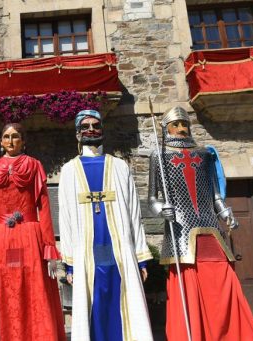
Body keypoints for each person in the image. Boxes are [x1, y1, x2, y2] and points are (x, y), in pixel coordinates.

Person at [148, 106, 253, 341]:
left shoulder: (205, 154)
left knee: (222, 278)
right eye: (175, 124)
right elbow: (152, 198)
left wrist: (225, 212)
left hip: (211, 229)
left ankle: (230, 334)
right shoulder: (159, 155)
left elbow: (215, 195)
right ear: (166, 127)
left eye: (184, 123)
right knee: (188, 284)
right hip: (180, 230)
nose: (180, 128)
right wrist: (162, 209)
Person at [58, 110, 154, 341]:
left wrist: (141, 257)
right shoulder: (69, 170)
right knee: (93, 305)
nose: (91, 129)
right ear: (77, 133)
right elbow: (66, 217)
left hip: (120, 249)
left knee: (124, 302)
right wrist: (69, 264)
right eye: (85, 126)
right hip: (86, 253)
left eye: (95, 125)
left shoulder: (120, 166)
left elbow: (133, 212)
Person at [0, 123, 66, 341]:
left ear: (23, 141)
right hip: (1, 238)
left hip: (30, 234)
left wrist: (49, 246)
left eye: (15, 136)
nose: (10, 141)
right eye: (6, 136)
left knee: (33, 286)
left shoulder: (34, 165)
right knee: (4, 287)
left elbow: (44, 207)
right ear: (0, 142)